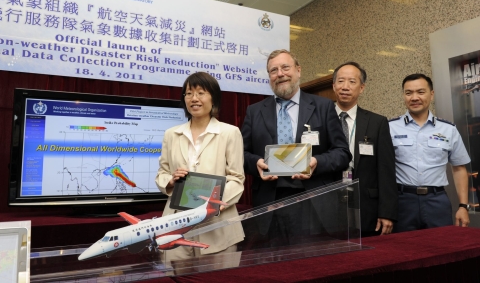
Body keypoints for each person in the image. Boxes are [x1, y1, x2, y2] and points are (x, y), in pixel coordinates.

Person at [241, 49, 351, 242]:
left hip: (313, 202)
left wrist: (316, 162)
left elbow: (342, 153)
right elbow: (241, 154)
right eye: (273, 70)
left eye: (285, 67)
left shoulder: (323, 107)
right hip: (269, 203)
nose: (280, 74)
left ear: (298, 70)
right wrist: (256, 162)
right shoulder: (254, 111)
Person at [156, 72, 245, 262]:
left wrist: (210, 202)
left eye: (201, 93)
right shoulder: (171, 134)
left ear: (214, 98)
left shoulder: (230, 133)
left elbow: (237, 180)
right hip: (176, 224)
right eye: (188, 94)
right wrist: (170, 180)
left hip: (218, 225)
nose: (194, 99)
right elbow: (162, 173)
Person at [389, 73, 470, 232]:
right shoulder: (389, 128)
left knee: (442, 249)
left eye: (420, 92)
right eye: (408, 93)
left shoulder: (448, 129)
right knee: (404, 251)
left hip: (437, 201)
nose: (414, 97)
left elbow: (459, 168)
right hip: (402, 201)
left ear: (431, 94)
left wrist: (463, 206)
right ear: (403, 96)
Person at [332, 61, 398, 237]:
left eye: (352, 82)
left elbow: (386, 170)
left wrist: (387, 212)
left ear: (361, 88)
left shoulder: (378, 123)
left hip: (367, 206)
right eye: (341, 81)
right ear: (333, 86)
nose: (345, 87)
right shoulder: (320, 119)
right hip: (327, 205)